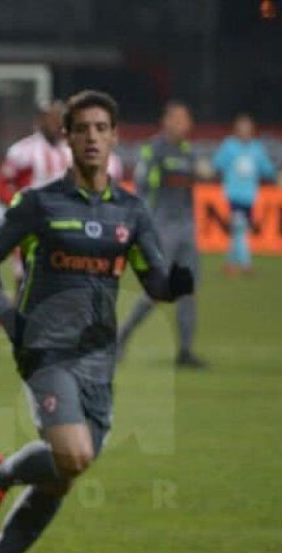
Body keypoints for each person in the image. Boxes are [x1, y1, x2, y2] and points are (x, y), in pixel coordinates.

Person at [0, 90, 193, 553]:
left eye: (101, 128)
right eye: (82, 128)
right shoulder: (40, 204)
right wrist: (6, 315)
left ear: (114, 137)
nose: (92, 137)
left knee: (65, 476)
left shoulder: (131, 213)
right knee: (75, 454)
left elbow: (153, 280)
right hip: (44, 347)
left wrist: (174, 282)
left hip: (98, 353)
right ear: (67, 137)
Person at [0, 101, 124, 376]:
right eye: (51, 117)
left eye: (61, 118)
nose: (56, 122)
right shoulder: (23, 151)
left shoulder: (73, 150)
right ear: (41, 120)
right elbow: (0, 184)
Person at [116, 101, 205, 368]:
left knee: (188, 290)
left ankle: (185, 352)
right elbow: (142, 190)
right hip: (162, 228)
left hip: (187, 229)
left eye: (187, 119)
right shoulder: (155, 151)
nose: (184, 124)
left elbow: (189, 193)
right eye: (179, 119)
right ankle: (121, 337)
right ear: (167, 121)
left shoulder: (187, 152)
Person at [211, 114, 278, 276]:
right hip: (233, 195)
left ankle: (230, 263)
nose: (245, 132)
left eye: (248, 128)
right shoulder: (229, 146)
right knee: (240, 228)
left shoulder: (256, 148)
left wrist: (277, 173)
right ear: (236, 130)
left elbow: (266, 168)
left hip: (249, 196)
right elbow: (217, 163)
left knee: (238, 231)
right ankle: (246, 264)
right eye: (242, 128)